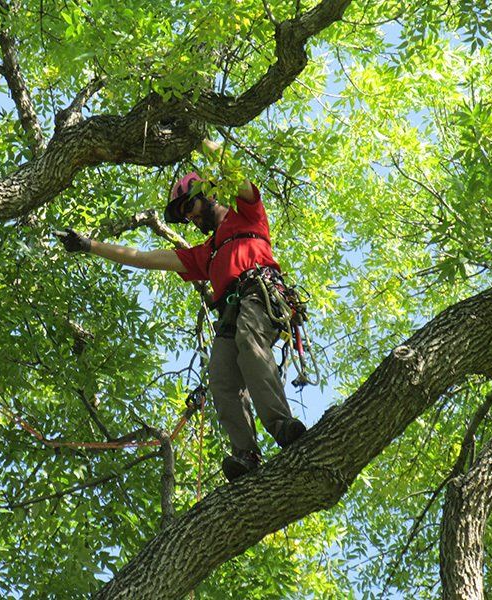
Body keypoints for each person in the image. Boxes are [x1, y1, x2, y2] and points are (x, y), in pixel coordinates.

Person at [54, 172, 306, 482]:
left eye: (189, 207)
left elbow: (234, 169)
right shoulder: (205, 253)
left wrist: (198, 130)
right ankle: (246, 454)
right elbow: (144, 258)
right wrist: (90, 245)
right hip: (232, 312)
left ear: (208, 193)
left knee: (250, 342)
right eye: (185, 216)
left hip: (259, 294)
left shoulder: (247, 215)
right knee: (221, 377)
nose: (190, 219)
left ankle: (281, 425)